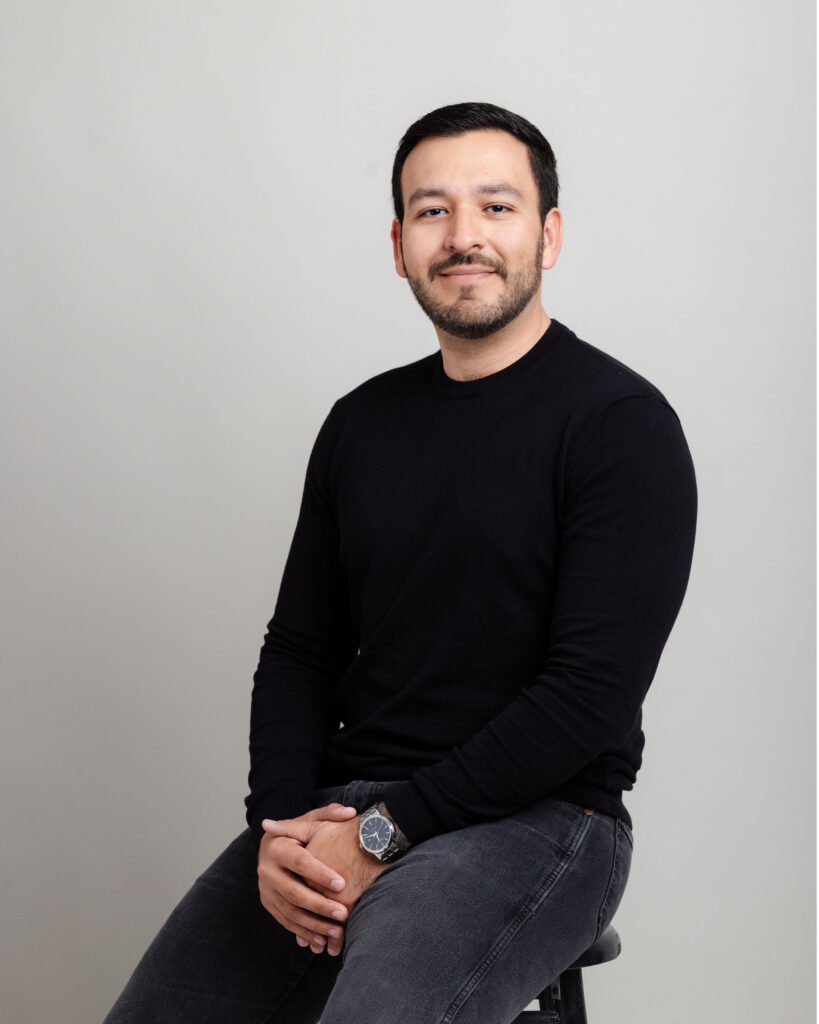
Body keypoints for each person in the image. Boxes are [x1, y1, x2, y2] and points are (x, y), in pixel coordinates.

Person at [103, 101, 697, 1024]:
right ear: (398, 244)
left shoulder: (620, 426)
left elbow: (588, 697)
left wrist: (387, 833)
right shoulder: (361, 424)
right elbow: (300, 650)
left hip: (543, 818)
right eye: (431, 211)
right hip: (346, 809)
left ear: (548, 234)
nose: (463, 236)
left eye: (495, 207)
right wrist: (282, 827)